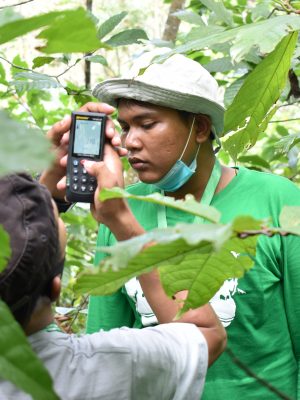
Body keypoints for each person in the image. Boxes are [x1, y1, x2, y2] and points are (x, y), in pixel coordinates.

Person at [40, 53, 300, 399]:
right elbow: (108, 342)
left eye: (147, 125)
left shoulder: (278, 200)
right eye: (126, 127)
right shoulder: (119, 211)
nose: (130, 141)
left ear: (201, 128)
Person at [0, 178, 226, 399]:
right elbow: (205, 331)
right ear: (55, 288)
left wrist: (36, 193)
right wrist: (120, 217)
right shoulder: (104, 367)